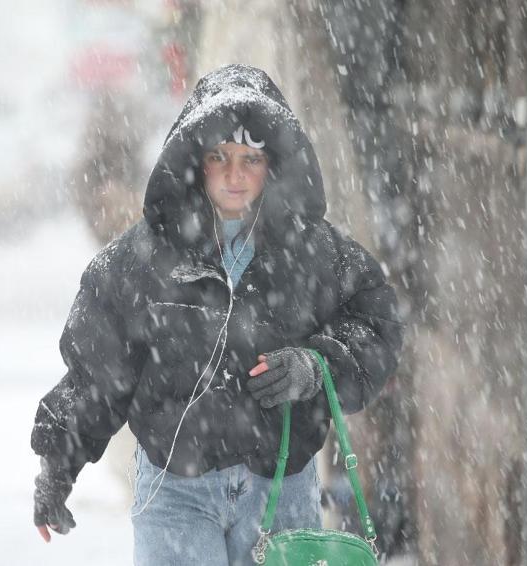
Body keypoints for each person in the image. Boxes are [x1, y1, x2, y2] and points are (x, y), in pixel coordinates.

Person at [30, 64, 404, 565]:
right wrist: (59, 464)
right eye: (219, 157)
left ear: (272, 165)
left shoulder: (316, 252)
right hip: (175, 492)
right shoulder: (144, 257)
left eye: (251, 159)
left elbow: (376, 324)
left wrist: (318, 365)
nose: (234, 175)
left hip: (279, 491)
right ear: (194, 160)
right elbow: (97, 369)